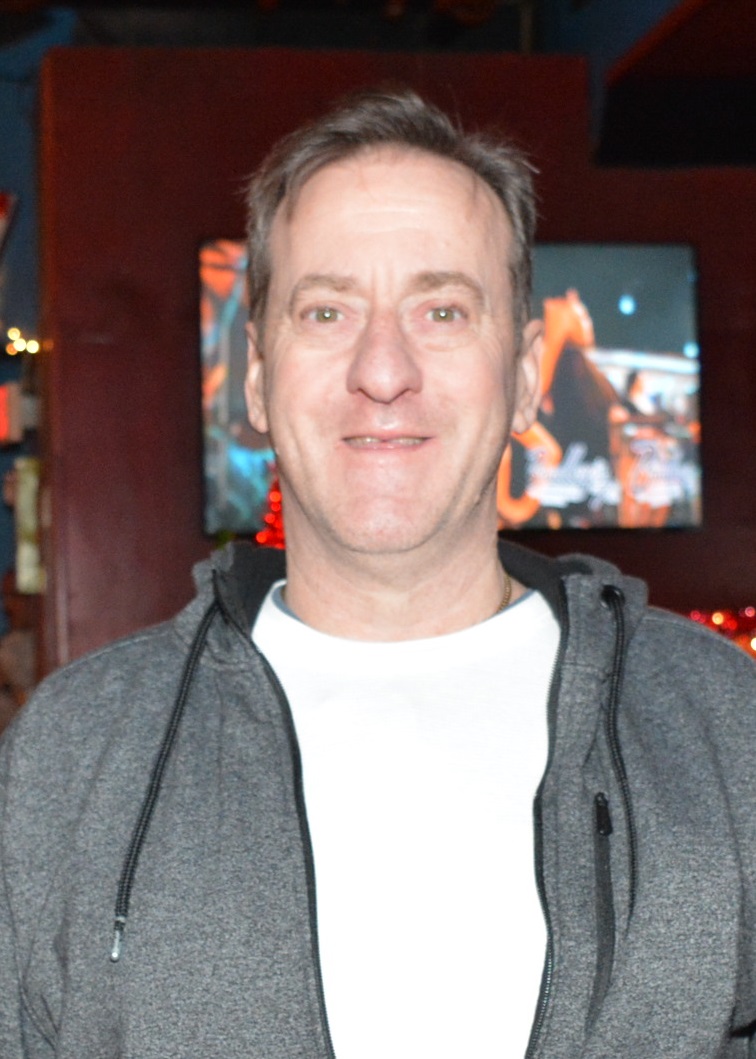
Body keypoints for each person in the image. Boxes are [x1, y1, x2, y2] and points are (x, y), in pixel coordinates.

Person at [1, 89, 754, 1059]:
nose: (384, 369)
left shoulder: (717, 720)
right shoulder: (74, 751)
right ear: (259, 375)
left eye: (442, 310)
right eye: (327, 311)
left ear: (526, 374)